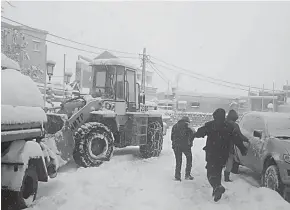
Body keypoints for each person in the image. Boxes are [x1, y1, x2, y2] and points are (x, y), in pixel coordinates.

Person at [193, 108, 248, 202]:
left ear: (214, 116)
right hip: (223, 154)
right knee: (218, 171)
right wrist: (242, 149)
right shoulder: (229, 126)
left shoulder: (210, 125)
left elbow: (199, 133)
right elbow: (236, 138)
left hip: (211, 153)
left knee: (210, 172)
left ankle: (216, 186)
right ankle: (217, 189)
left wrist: (193, 134)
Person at [224, 109, 249, 182]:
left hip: (220, 144)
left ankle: (216, 175)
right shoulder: (234, 125)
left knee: (220, 160)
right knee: (229, 160)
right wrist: (246, 140)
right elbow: (239, 135)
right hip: (229, 146)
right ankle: (226, 177)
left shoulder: (223, 122)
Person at [171, 116, 195, 181]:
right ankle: (187, 175)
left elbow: (172, 137)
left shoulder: (175, 126)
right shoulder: (188, 126)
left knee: (178, 161)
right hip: (186, 146)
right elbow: (193, 134)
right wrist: (190, 142)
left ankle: (177, 176)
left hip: (176, 146)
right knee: (189, 159)